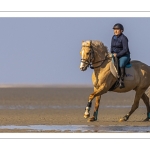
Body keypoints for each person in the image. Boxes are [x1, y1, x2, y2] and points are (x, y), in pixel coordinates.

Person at [111, 23, 131, 88]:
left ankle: (121, 81)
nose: (115, 31)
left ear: (121, 30)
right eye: (114, 29)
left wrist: (118, 54)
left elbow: (125, 49)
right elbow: (112, 47)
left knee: (121, 63)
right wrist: (112, 53)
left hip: (124, 55)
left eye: (117, 29)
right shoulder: (113, 37)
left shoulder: (124, 38)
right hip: (115, 54)